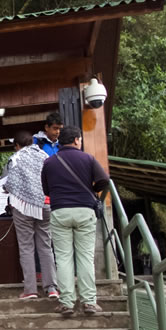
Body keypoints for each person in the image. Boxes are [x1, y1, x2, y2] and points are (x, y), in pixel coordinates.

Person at [41, 126, 110, 316]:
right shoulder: (88, 158)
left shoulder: (50, 163)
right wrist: (92, 189)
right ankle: (89, 302)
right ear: (77, 140)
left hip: (60, 211)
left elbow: (46, 190)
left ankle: (67, 303)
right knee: (85, 257)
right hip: (84, 210)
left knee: (63, 258)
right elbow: (104, 180)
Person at [5, 130, 59, 299]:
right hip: (45, 205)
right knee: (45, 245)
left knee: (26, 247)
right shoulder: (44, 156)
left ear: (16, 145)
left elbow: (9, 183)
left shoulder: (15, 158)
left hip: (23, 207)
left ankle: (30, 290)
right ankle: (52, 288)